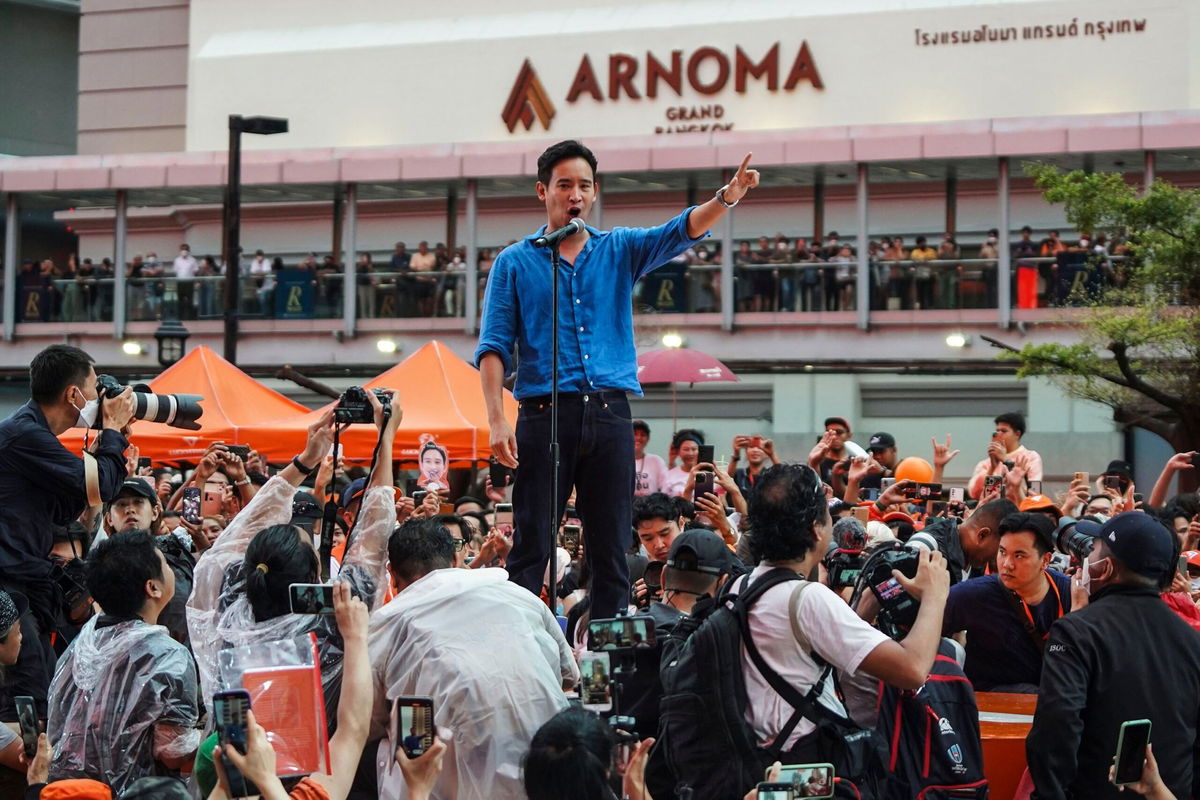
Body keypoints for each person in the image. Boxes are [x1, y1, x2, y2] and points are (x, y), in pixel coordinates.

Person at [476, 139, 760, 620]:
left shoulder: (619, 249)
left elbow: (679, 232)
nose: (575, 195)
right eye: (564, 185)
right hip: (544, 414)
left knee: (610, 543)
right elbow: (493, 346)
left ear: (594, 192)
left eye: (584, 186)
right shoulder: (515, 262)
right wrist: (497, 420)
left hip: (610, 414)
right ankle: (516, 645)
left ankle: (608, 663)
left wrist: (726, 196)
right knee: (532, 543)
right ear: (543, 190)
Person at [186, 396, 400, 727]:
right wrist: (385, 440)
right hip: (313, 774)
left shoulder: (231, 607)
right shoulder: (335, 620)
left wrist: (306, 459)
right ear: (314, 576)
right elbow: (374, 534)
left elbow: (240, 533)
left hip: (235, 763)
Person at [731, 463, 949, 763]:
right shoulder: (809, 599)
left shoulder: (737, 587)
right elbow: (912, 670)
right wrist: (935, 596)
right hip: (799, 765)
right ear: (816, 529)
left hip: (749, 757)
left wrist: (866, 606)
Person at [369, 518, 578, 800]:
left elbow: (366, 720)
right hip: (553, 769)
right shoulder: (520, 597)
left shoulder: (383, 628)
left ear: (392, 573)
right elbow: (569, 675)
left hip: (457, 778)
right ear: (456, 558)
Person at [0, 345, 134, 721]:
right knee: (26, 704)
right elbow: (104, 486)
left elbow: (72, 502)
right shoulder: (23, 435)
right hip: (10, 588)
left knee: (41, 695)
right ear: (72, 394)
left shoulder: (29, 433)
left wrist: (109, 442)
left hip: (24, 585)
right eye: (95, 388)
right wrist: (113, 432)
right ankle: (25, 778)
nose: (100, 396)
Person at [1027, 512, 1200, 800]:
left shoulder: (1076, 632)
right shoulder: (1192, 641)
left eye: (1092, 549)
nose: (1086, 557)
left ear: (1105, 568)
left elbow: (1056, 727)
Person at [47, 530, 199, 794]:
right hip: (133, 792)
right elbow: (172, 752)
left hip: (66, 792)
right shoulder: (168, 656)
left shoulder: (80, 643)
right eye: (165, 564)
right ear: (153, 587)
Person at [941, 513, 1073, 691]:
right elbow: (924, 634)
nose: (1007, 564)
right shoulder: (973, 595)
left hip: (1052, 704)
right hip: (989, 706)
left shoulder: (1069, 593)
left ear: (1046, 560)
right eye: (1002, 552)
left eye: (1019, 556)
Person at [967, 412, 1044, 499]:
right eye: (997, 431)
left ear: (1017, 434)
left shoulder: (1030, 457)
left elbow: (1034, 493)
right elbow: (974, 494)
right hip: (993, 511)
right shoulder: (986, 463)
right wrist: (992, 469)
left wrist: (1006, 460)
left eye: (1003, 431)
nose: (999, 435)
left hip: (1020, 510)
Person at [662, 429, 704, 498]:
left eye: (694, 449)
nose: (690, 453)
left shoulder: (708, 474)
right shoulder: (670, 475)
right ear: (678, 452)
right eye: (686, 449)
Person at [633, 420, 668, 497]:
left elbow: (665, 487)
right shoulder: (620, 461)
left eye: (642, 435)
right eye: (634, 434)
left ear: (648, 439)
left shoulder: (656, 461)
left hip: (650, 506)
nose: (638, 438)